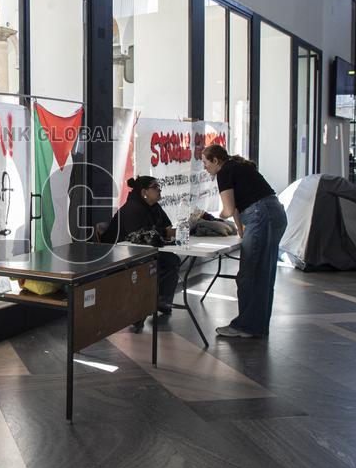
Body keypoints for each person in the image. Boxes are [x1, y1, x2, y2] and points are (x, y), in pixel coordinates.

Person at [201, 145, 287, 338]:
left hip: (261, 216)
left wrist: (207, 217)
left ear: (215, 160)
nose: (205, 168)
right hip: (274, 213)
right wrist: (241, 232)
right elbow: (238, 208)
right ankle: (257, 325)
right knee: (264, 274)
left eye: (205, 162)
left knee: (250, 275)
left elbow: (229, 209)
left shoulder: (224, 172)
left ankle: (245, 326)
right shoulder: (238, 166)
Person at [100, 176, 181, 322]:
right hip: (120, 253)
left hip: (142, 250)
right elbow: (139, 236)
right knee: (163, 262)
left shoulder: (154, 206)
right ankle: (144, 306)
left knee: (172, 259)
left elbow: (168, 228)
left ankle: (161, 300)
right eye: (155, 187)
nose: (159, 190)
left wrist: (168, 232)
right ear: (144, 192)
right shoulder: (132, 208)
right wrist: (166, 233)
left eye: (159, 186)